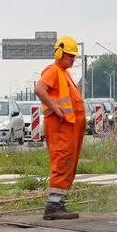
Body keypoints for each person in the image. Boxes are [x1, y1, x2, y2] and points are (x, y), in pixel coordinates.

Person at [34, 36, 86, 220]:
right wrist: (57, 109)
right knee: (61, 162)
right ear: (59, 53)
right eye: (70, 56)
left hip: (69, 128)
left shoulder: (64, 73)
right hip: (60, 127)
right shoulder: (53, 70)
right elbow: (39, 89)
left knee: (68, 164)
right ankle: (53, 206)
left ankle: (58, 203)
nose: (73, 59)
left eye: (74, 56)